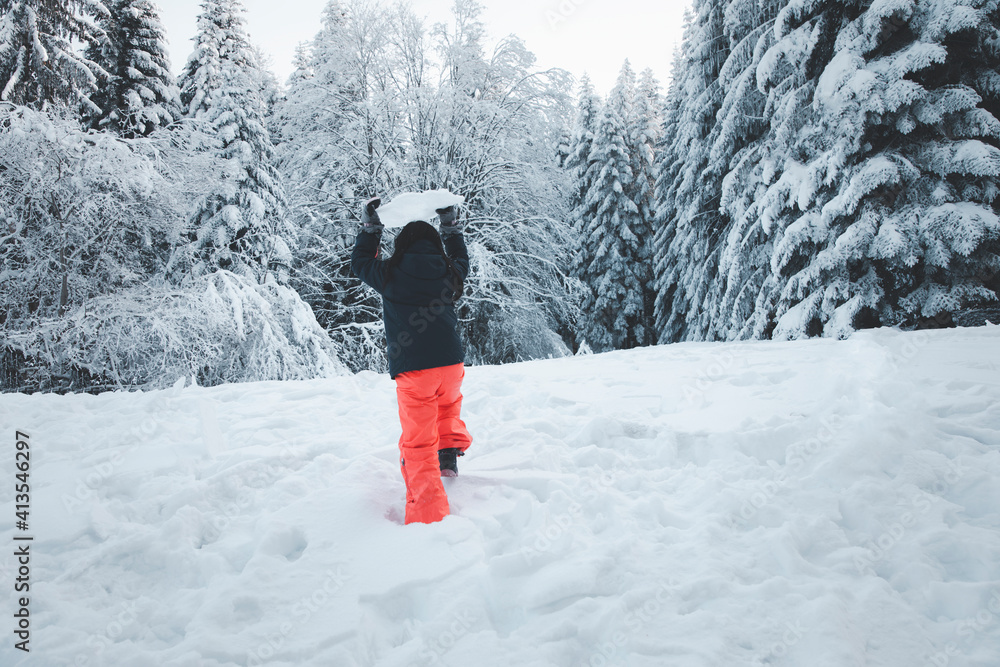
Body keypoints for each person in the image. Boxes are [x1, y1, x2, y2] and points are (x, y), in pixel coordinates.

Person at [351, 197, 473, 525]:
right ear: (434, 244)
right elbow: (463, 260)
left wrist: (371, 228)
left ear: (401, 244)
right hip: (451, 364)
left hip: (414, 369)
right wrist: (450, 228)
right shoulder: (447, 271)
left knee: (418, 440)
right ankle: (447, 457)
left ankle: (428, 518)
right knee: (447, 407)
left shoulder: (389, 273)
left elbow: (360, 262)